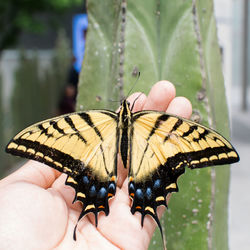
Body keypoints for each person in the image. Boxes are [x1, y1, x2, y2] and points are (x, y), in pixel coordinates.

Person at [0, 81, 192, 250]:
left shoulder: (95, 122)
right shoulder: (148, 122)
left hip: (105, 166)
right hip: (132, 164)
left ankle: (101, 195)